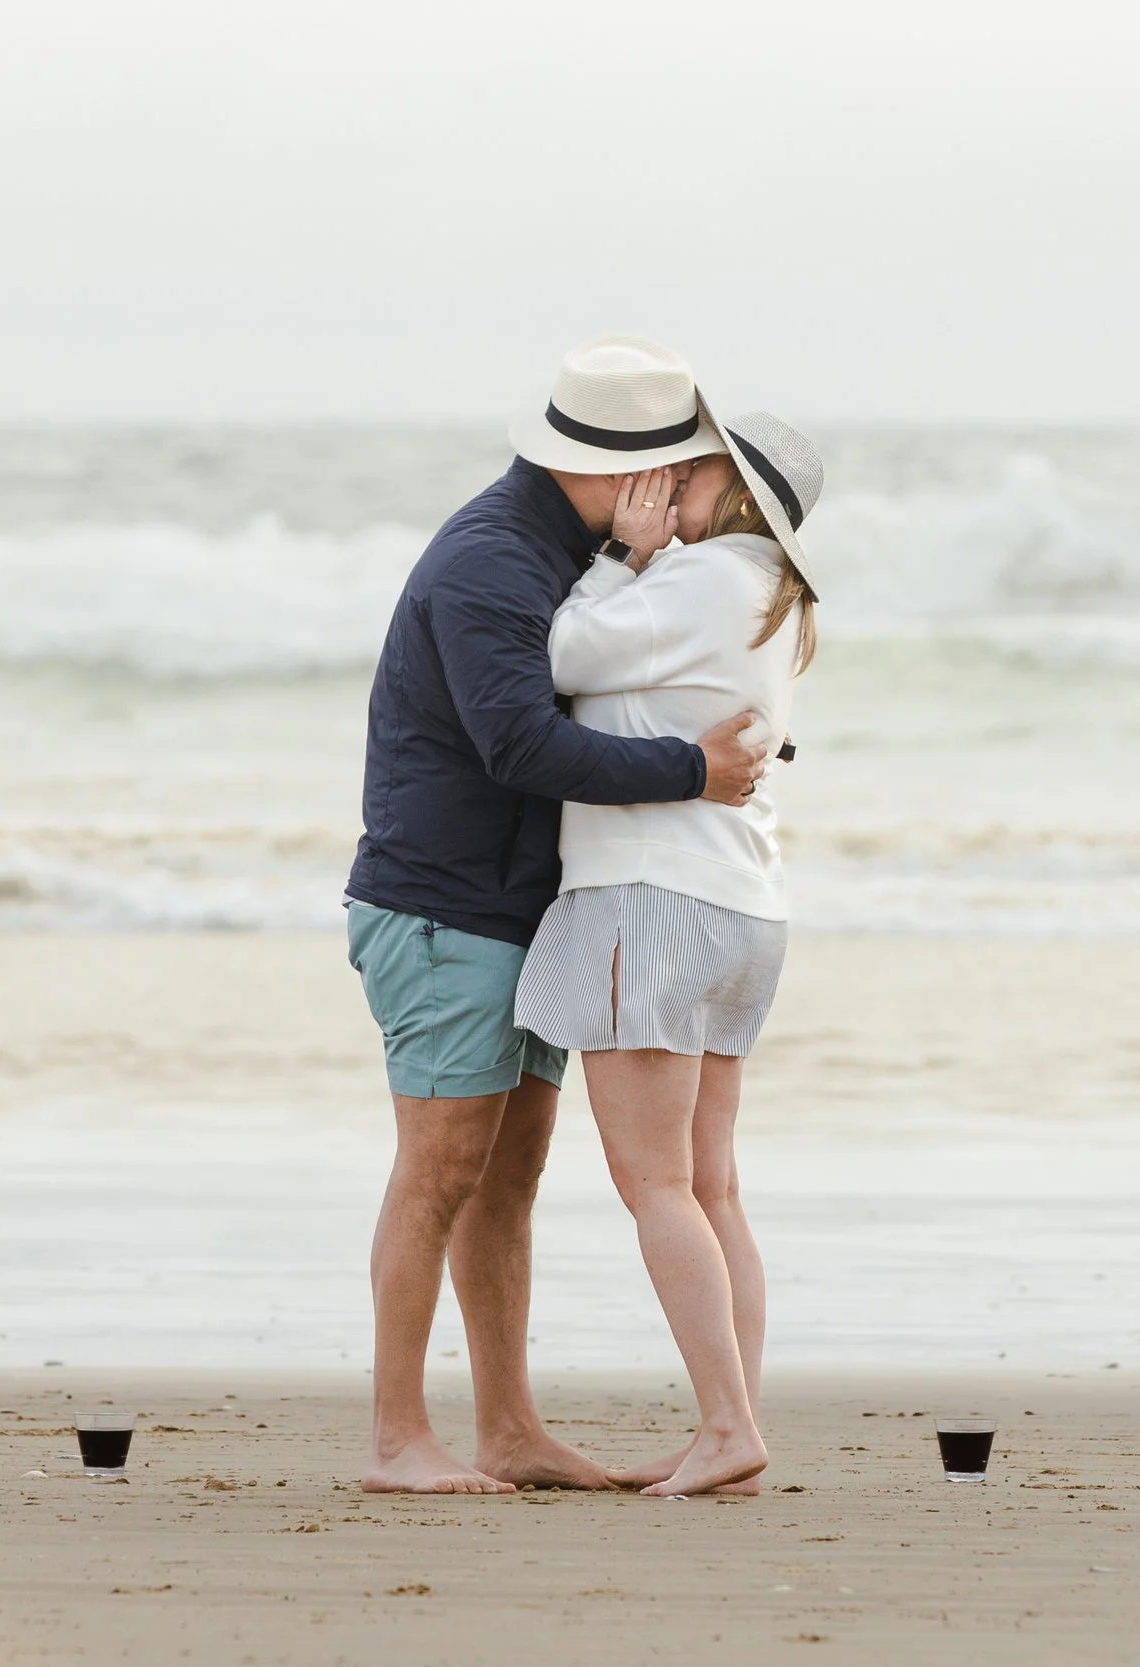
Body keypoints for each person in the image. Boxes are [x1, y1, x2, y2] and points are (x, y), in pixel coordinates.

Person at [344, 337, 768, 1495]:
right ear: (627, 469)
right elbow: (520, 743)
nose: (688, 488)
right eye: (679, 466)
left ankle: (509, 1429)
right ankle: (396, 1439)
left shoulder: (573, 555)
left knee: (508, 1178)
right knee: (437, 1169)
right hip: (444, 905)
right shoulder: (492, 559)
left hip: (522, 907)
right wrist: (695, 770)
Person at [512, 407, 825, 1497]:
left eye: (685, 470)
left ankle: (729, 1425)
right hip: (741, 903)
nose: (660, 481)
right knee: (711, 1186)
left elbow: (550, 652)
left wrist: (618, 555)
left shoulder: (697, 580)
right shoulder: (780, 601)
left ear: (731, 488)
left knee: (656, 1183)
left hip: (653, 893)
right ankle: (725, 1430)